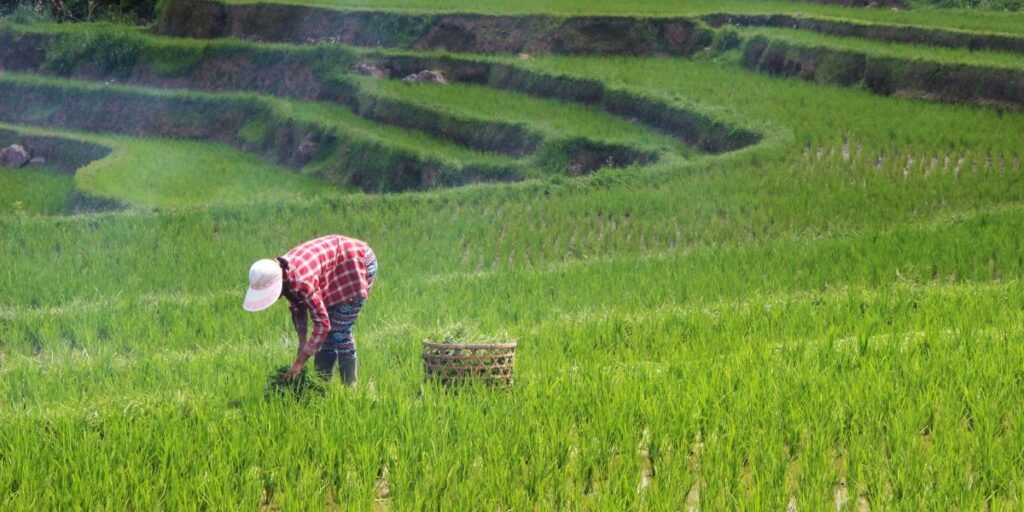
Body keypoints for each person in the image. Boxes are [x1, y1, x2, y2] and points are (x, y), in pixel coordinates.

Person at [243, 235, 377, 386]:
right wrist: (302, 342)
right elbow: (298, 306)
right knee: (326, 335)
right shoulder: (283, 274)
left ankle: (350, 388)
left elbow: (322, 325)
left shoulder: (302, 281)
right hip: (336, 269)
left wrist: (299, 362)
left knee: (340, 331)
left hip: (357, 263)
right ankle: (322, 385)